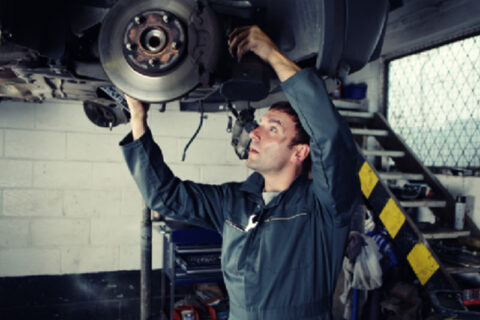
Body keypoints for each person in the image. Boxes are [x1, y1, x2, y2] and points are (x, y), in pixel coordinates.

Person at [120, 25, 361, 320]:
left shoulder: (324, 206)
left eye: (273, 129)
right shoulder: (234, 201)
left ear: (300, 152)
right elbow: (165, 197)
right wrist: (137, 118)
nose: (256, 133)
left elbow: (330, 136)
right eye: (260, 124)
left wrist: (271, 54)